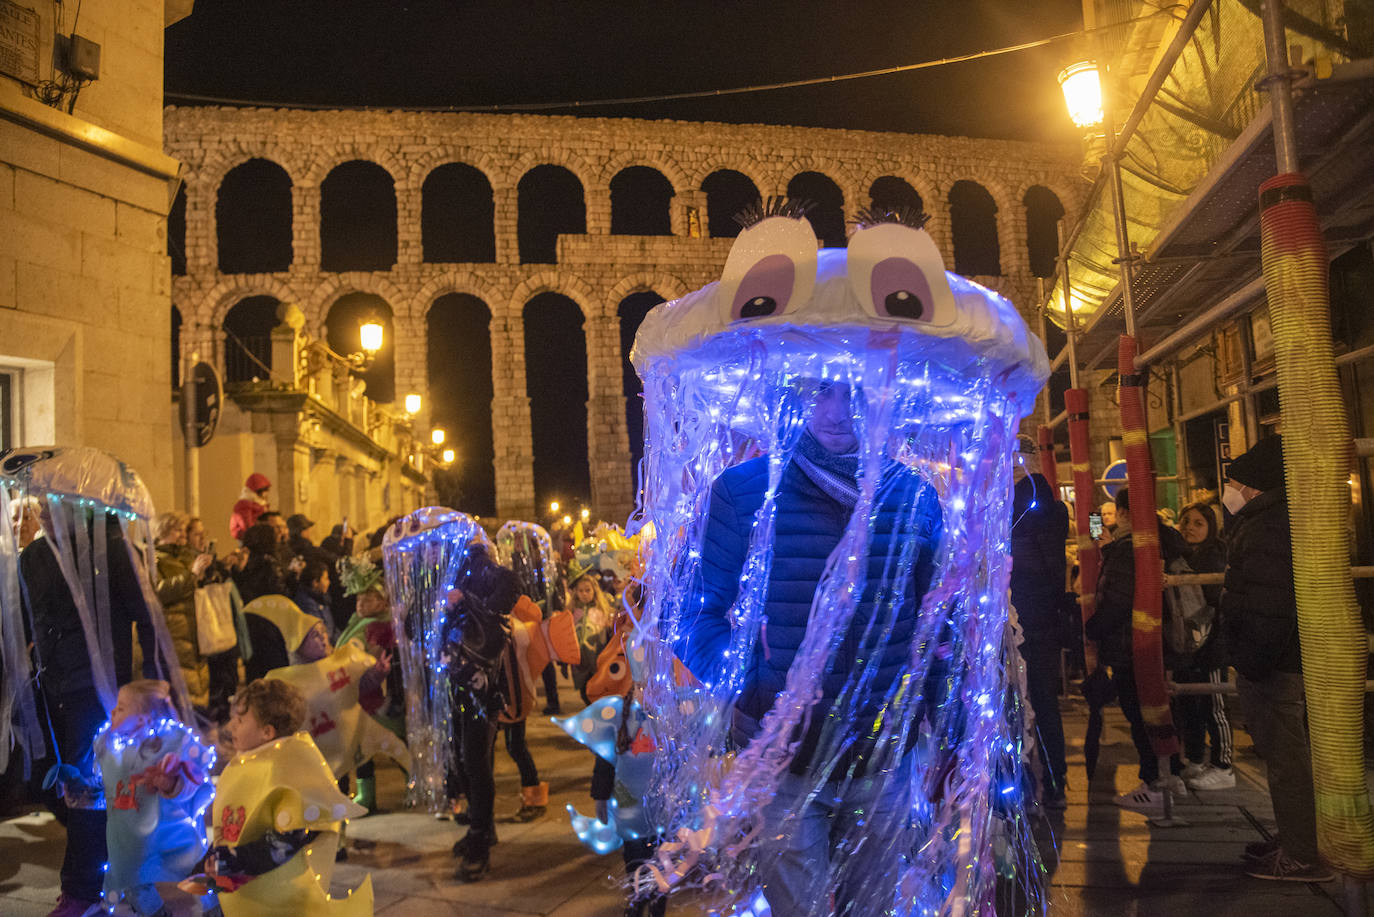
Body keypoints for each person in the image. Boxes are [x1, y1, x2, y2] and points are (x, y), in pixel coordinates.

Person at [679, 382, 943, 915]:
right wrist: (752, 689)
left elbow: (937, 621)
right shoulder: (744, 491)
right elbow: (692, 613)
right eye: (821, 392)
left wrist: (941, 723)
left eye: (854, 394)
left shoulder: (913, 494)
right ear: (790, 395)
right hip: (785, 763)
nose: (837, 413)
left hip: (884, 758)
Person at [22, 509, 159, 917]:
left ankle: (83, 890)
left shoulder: (113, 550)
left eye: (55, 502)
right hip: (50, 688)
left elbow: (147, 616)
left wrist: (153, 680)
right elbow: (26, 619)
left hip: (95, 690)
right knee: (60, 790)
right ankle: (103, 873)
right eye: (40, 502)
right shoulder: (32, 556)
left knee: (88, 791)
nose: (44, 511)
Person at [1220, 436, 1331, 882]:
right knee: (1284, 757)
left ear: (1254, 487)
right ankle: (1295, 838)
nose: (1227, 490)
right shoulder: (1268, 522)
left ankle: (1303, 854)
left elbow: (1271, 604)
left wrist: (1251, 660)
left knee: (1287, 760)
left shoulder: (1268, 528)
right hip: (1273, 660)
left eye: (1234, 482)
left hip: (1274, 663)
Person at [203, 678, 371, 916]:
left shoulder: (287, 768)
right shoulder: (245, 763)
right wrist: (213, 857)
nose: (231, 726)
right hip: (242, 895)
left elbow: (288, 839)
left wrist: (231, 861)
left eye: (240, 720)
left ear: (266, 732)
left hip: (276, 901)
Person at [1085, 486, 1186, 809]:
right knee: (1157, 710)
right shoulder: (1153, 538)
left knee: (1141, 713)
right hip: (1156, 640)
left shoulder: (1128, 548)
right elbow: (1094, 532)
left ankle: (1155, 782)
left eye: (1116, 512)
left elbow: (1119, 598)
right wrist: (1091, 514)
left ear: (1125, 512)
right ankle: (1169, 774)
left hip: (1132, 643)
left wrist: (1094, 627)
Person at [94, 679, 215, 917]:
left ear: (142, 719)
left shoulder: (170, 746)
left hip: (171, 831)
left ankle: (214, 908)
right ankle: (155, 912)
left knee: (195, 870)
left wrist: (170, 784)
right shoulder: (113, 746)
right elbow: (102, 778)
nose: (113, 712)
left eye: (121, 707)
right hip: (130, 837)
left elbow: (195, 781)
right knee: (131, 876)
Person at [443, 544, 520, 882]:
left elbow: (511, 586)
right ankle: (482, 827)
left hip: (482, 686)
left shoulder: (477, 565)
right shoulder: (447, 571)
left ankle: (479, 840)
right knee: (466, 758)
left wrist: (472, 603)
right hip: (459, 681)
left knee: (475, 760)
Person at [1009, 463, 1070, 809]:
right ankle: (1056, 782)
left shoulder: (1015, 533)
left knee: (1017, 705)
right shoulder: (1055, 526)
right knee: (1047, 706)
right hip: (1047, 627)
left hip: (1017, 628)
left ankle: (1023, 787)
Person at [1173, 502, 1234, 791]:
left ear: (1211, 528)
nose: (1190, 527)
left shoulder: (1214, 556)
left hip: (1213, 644)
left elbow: (1214, 601)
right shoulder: (1181, 557)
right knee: (1190, 705)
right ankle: (1196, 759)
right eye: (1186, 521)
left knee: (1214, 705)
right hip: (1188, 645)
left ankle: (1224, 765)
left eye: (1198, 523)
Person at [154, 511, 212, 709]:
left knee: (197, 684)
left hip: (194, 631)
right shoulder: (155, 558)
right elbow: (158, 591)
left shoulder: (186, 557)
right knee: (182, 688)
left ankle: (200, 726)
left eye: (183, 531)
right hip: (175, 631)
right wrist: (191, 575)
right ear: (163, 530)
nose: (182, 535)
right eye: (177, 530)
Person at [566, 569, 616, 702]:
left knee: (597, 690)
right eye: (580, 591)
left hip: (597, 659)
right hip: (579, 661)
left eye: (588, 590)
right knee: (584, 691)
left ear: (594, 591)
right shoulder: (572, 612)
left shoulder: (601, 611)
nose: (584, 594)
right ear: (576, 592)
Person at [232, 522, 287, 605]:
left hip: (246, 609)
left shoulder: (242, 560)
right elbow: (280, 592)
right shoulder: (270, 563)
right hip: (266, 610)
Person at [293, 558, 334, 636]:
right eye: (326, 578)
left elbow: (332, 627)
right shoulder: (306, 604)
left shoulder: (321, 598)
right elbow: (319, 635)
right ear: (315, 583)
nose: (329, 582)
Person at [229, 473, 271, 542]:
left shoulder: (259, 503)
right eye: (265, 490)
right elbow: (247, 526)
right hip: (249, 538)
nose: (267, 494)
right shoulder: (244, 505)